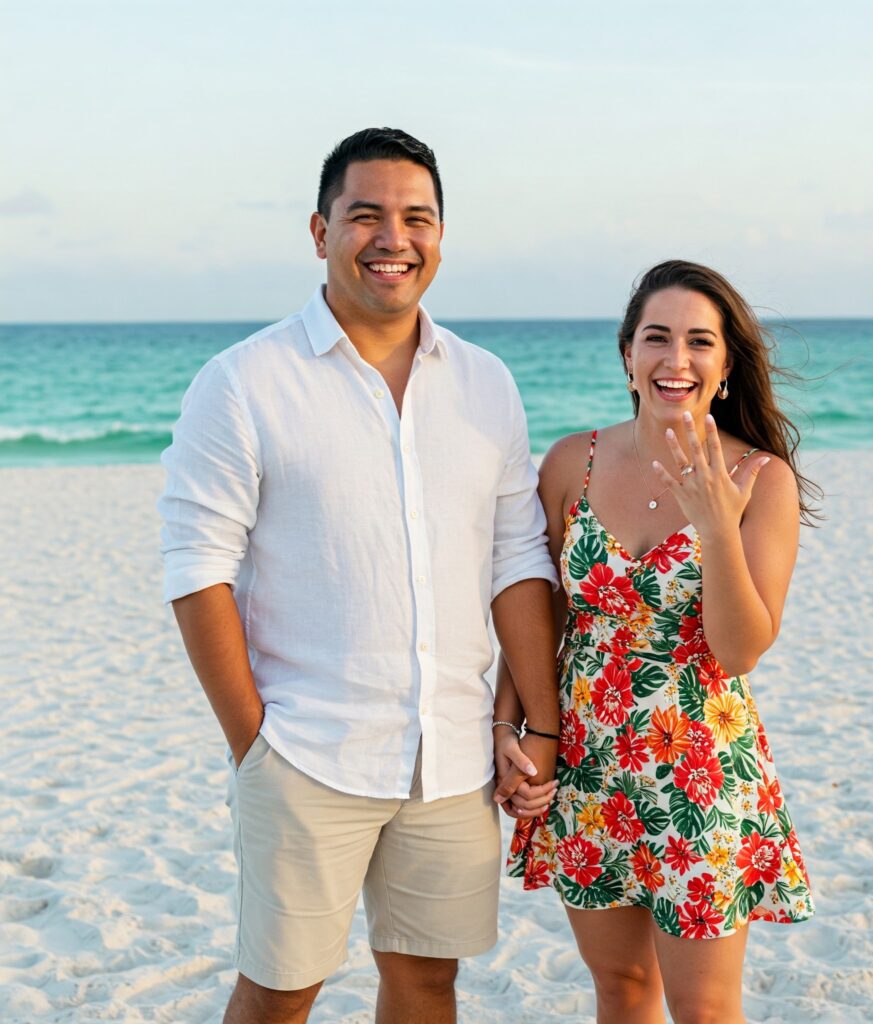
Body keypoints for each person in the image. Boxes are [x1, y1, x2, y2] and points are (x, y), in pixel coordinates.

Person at [158, 127, 559, 1024]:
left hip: (451, 757)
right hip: (306, 750)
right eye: (365, 215)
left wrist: (539, 721)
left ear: (441, 238)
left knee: (426, 984)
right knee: (281, 989)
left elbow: (517, 559)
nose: (393, 238)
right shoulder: (242, 383)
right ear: (319, 230)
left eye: (416, 217)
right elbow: (197, 570)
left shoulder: (486, 384)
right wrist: (252, 742)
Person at [498, 260, 817, 1024]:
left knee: (704, 1009)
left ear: (726, 366)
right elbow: (538, 606)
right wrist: (509, 724)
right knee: (621, 989)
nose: (677, 360)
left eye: (699, 342)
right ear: (627, 355)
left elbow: (739, 651)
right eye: (657, 338)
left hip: (700, 770)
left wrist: (714, 522)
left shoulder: (759, 478)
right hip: (589, 762)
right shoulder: (573, 461)